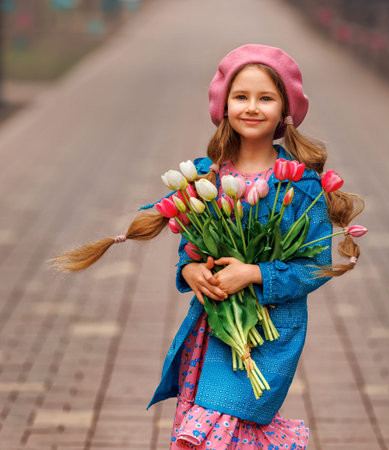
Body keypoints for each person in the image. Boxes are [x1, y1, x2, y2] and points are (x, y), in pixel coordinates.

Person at [51, 44, 364, 449]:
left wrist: (254, 273)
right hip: (214, 332)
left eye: (265, 98)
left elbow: (315, 266)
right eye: (241, 97)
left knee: (217, 433)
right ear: (224, 106)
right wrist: (190, 270)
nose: (252, 107)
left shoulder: (301, 187)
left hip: (266, 343)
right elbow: (194, 247)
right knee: (224, 436)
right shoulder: (206, 180)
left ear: (285, 110)